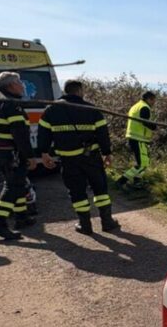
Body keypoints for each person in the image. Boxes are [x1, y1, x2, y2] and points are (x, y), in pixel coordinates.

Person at [38, 81, 120, 235]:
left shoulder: (51, 109)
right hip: (91, 157)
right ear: (80, 91)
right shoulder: (91, 108)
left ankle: (85, 225)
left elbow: (43, 133)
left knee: (77, 192)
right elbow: (103, 133)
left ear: (65, 91)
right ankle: (107, 222)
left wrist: (44, 153)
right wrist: (107, 153)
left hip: (68, 160)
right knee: (100, 188)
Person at [0, 71, 35, 240]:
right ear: (11, 85)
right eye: (20, 83)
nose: (23, 86)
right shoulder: (11, 104)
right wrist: (30, 156)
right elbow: (20, 134)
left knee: (16, 184)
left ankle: (22, 218)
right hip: (11, 152)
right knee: (13, 186)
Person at [119, 91, 156, 191]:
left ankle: (137, 181)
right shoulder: (144, 107)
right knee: (143, 164)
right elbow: (145, 122)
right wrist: (154, 126)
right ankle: (122, 181)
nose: (154, 103)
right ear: (148, 99)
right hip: (139, 138)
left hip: (134, 137)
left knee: (144, 162)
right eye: (153, 100)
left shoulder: (136, 106)